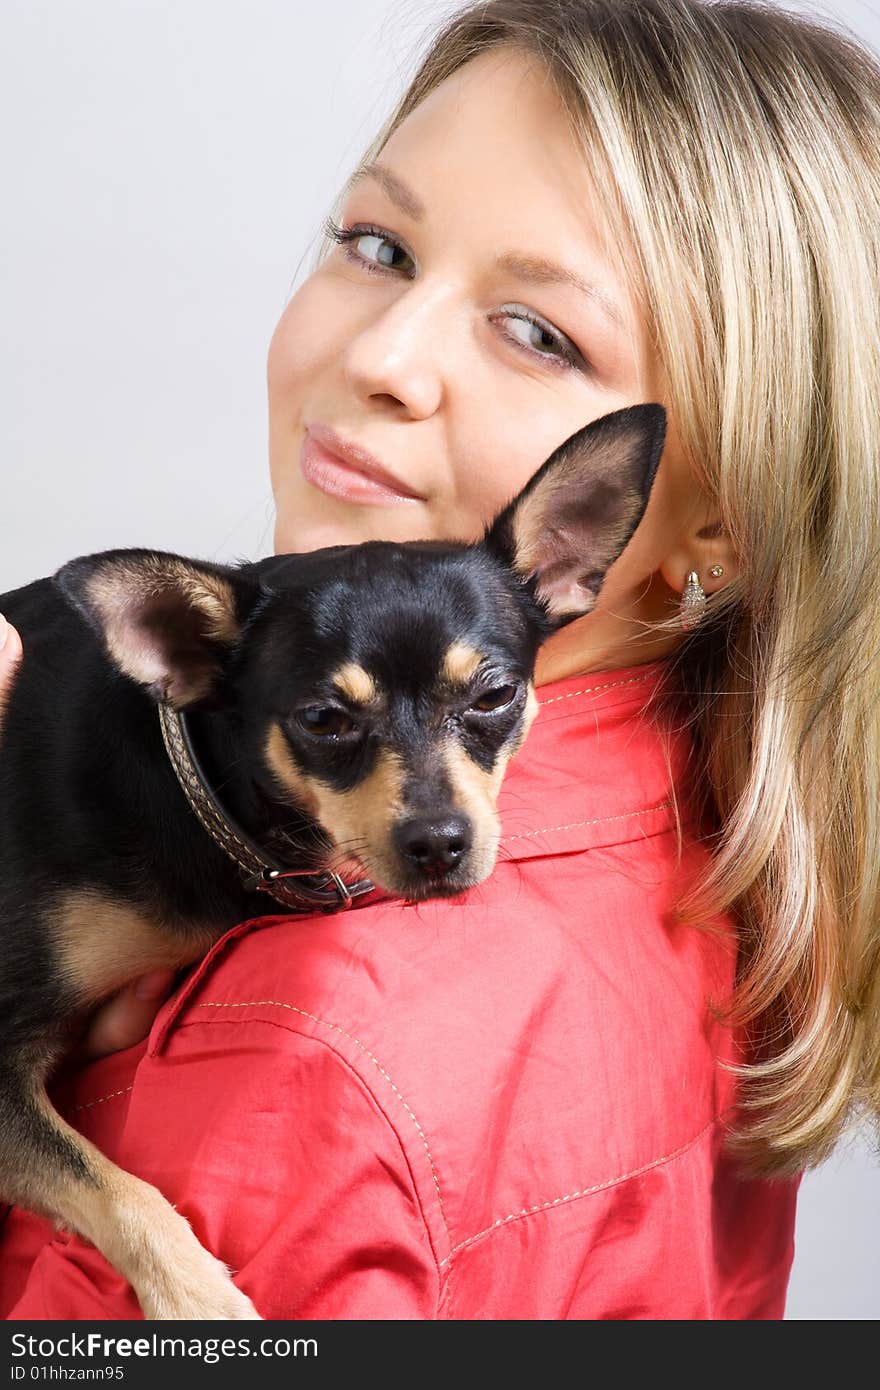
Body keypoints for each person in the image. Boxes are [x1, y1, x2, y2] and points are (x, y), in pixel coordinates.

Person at [1, 0, 878, 1319]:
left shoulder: (297, 1071)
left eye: (539, 331)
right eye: (375, 244)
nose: (380, 356)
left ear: (717, 518)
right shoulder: (716, 837)